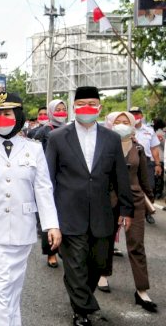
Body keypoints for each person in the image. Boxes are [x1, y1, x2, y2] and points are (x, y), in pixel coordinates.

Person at [0, 92, 61, 326]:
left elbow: (44, 189)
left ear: (19, 116)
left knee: (13, 287)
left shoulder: (34, 149)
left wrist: (51, 225)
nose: (1, 118)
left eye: (7, 113)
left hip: (22, 228)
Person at [45, 86, 133, 326]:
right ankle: (86, 309)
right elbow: (48, 180)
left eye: (92, 104)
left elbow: (120, 178)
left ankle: (81, 302)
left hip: (102, 214)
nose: (87, 108)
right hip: (68, 213)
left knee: (96, 265)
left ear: (100, 108)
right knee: (75, 265)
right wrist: (48, 219)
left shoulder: (111, 138)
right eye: (82, 103)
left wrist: (126, 209)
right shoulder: (57, 138)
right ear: (74, 107)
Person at [96, 111, 157, 312]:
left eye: (126, 122)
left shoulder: (138, 148)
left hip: (136, 201)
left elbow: (144, 178)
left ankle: (141, 290)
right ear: (110, 124)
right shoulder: (103, 147)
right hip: (109, 201)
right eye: (118, 122)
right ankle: (103, 275)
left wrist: (150, 201)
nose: (122, 125)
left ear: (132, 125)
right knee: (106, 241)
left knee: (136, 244)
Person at [32, 99, 68, 268]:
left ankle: (65, 248)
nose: (61, 112)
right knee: (48, 215)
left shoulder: (72, 129)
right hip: (48, 178)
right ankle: (51, 253)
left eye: (63, 109)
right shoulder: (43, 130)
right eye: (57, 109)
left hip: (68, 178)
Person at [129, 106, 162, 224]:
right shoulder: (125, 129)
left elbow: (154, 149)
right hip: (130, 161)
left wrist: (157, 164)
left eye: (137, 114)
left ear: (141, 116)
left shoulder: (149, 130)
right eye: (132, 114)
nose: (135, 116)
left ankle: (148, 213)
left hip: (147, 162)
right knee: (131, 187)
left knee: (149, 187)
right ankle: (130, 212)